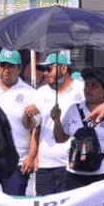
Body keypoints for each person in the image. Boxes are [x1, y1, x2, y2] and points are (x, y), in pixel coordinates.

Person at [54, 68, 104, 190]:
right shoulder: (73, 110)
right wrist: (56, 120)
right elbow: (60, 139)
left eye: (94, 86)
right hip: (74, 175)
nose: (89, 89)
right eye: (87, 85)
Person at [24, 52, 84, 195]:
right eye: (44, 70)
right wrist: (32, 156)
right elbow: (35, 128)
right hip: (46, 166)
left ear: (64, 69)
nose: (45, 73)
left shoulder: (82, 90)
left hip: (72, 166)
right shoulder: (40, 93)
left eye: (49, 69)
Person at [0, 48, 36, 195]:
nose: (7, 70)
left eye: (11, 66)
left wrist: (31, 157)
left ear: (19, 69)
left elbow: (35, 130)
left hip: (17, 161)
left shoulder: (30, 94)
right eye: (3, 65)